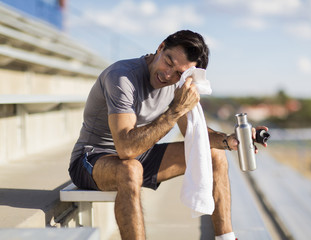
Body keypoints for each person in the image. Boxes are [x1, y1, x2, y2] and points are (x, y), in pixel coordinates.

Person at [68, 30, 268, 240]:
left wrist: (229, 140)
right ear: (161, 47)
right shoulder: (122, 76)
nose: (168, 74)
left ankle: (226, 238)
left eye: (179, 73)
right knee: (131, 169)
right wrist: (175, 110)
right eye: (168, 62)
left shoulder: (178, 84)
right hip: (92, 158)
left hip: (140, 155)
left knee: (214, 154)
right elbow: (125, 149)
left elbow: (195, 135)